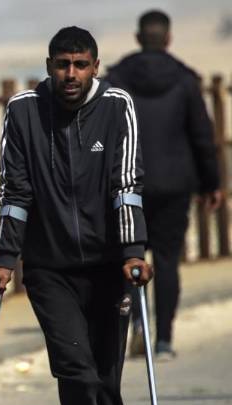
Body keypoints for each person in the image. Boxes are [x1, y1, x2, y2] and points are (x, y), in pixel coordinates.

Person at [0, 27, 151, 405]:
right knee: (73, 368)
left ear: (95, 66)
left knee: (106, 376)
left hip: (108, 266)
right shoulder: (23, 111)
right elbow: (13, 191)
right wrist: (4, 260)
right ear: (49, 65)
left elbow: (127, 184)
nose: (70, 74)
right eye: (62, 64)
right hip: (49, 267)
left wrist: (134, 250)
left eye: (80, 64)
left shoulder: (118, 105)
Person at [106, 9, 223, 359]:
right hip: (174, 185)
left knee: (129, 257)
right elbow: (202, 137)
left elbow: (106, 134)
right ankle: (164, 341)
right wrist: (211, 184)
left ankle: (136, 325)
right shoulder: (185, 80)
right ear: (168, 39)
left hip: (128, 185)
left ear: (139, 38)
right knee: (168, 261)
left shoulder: (117, 79)